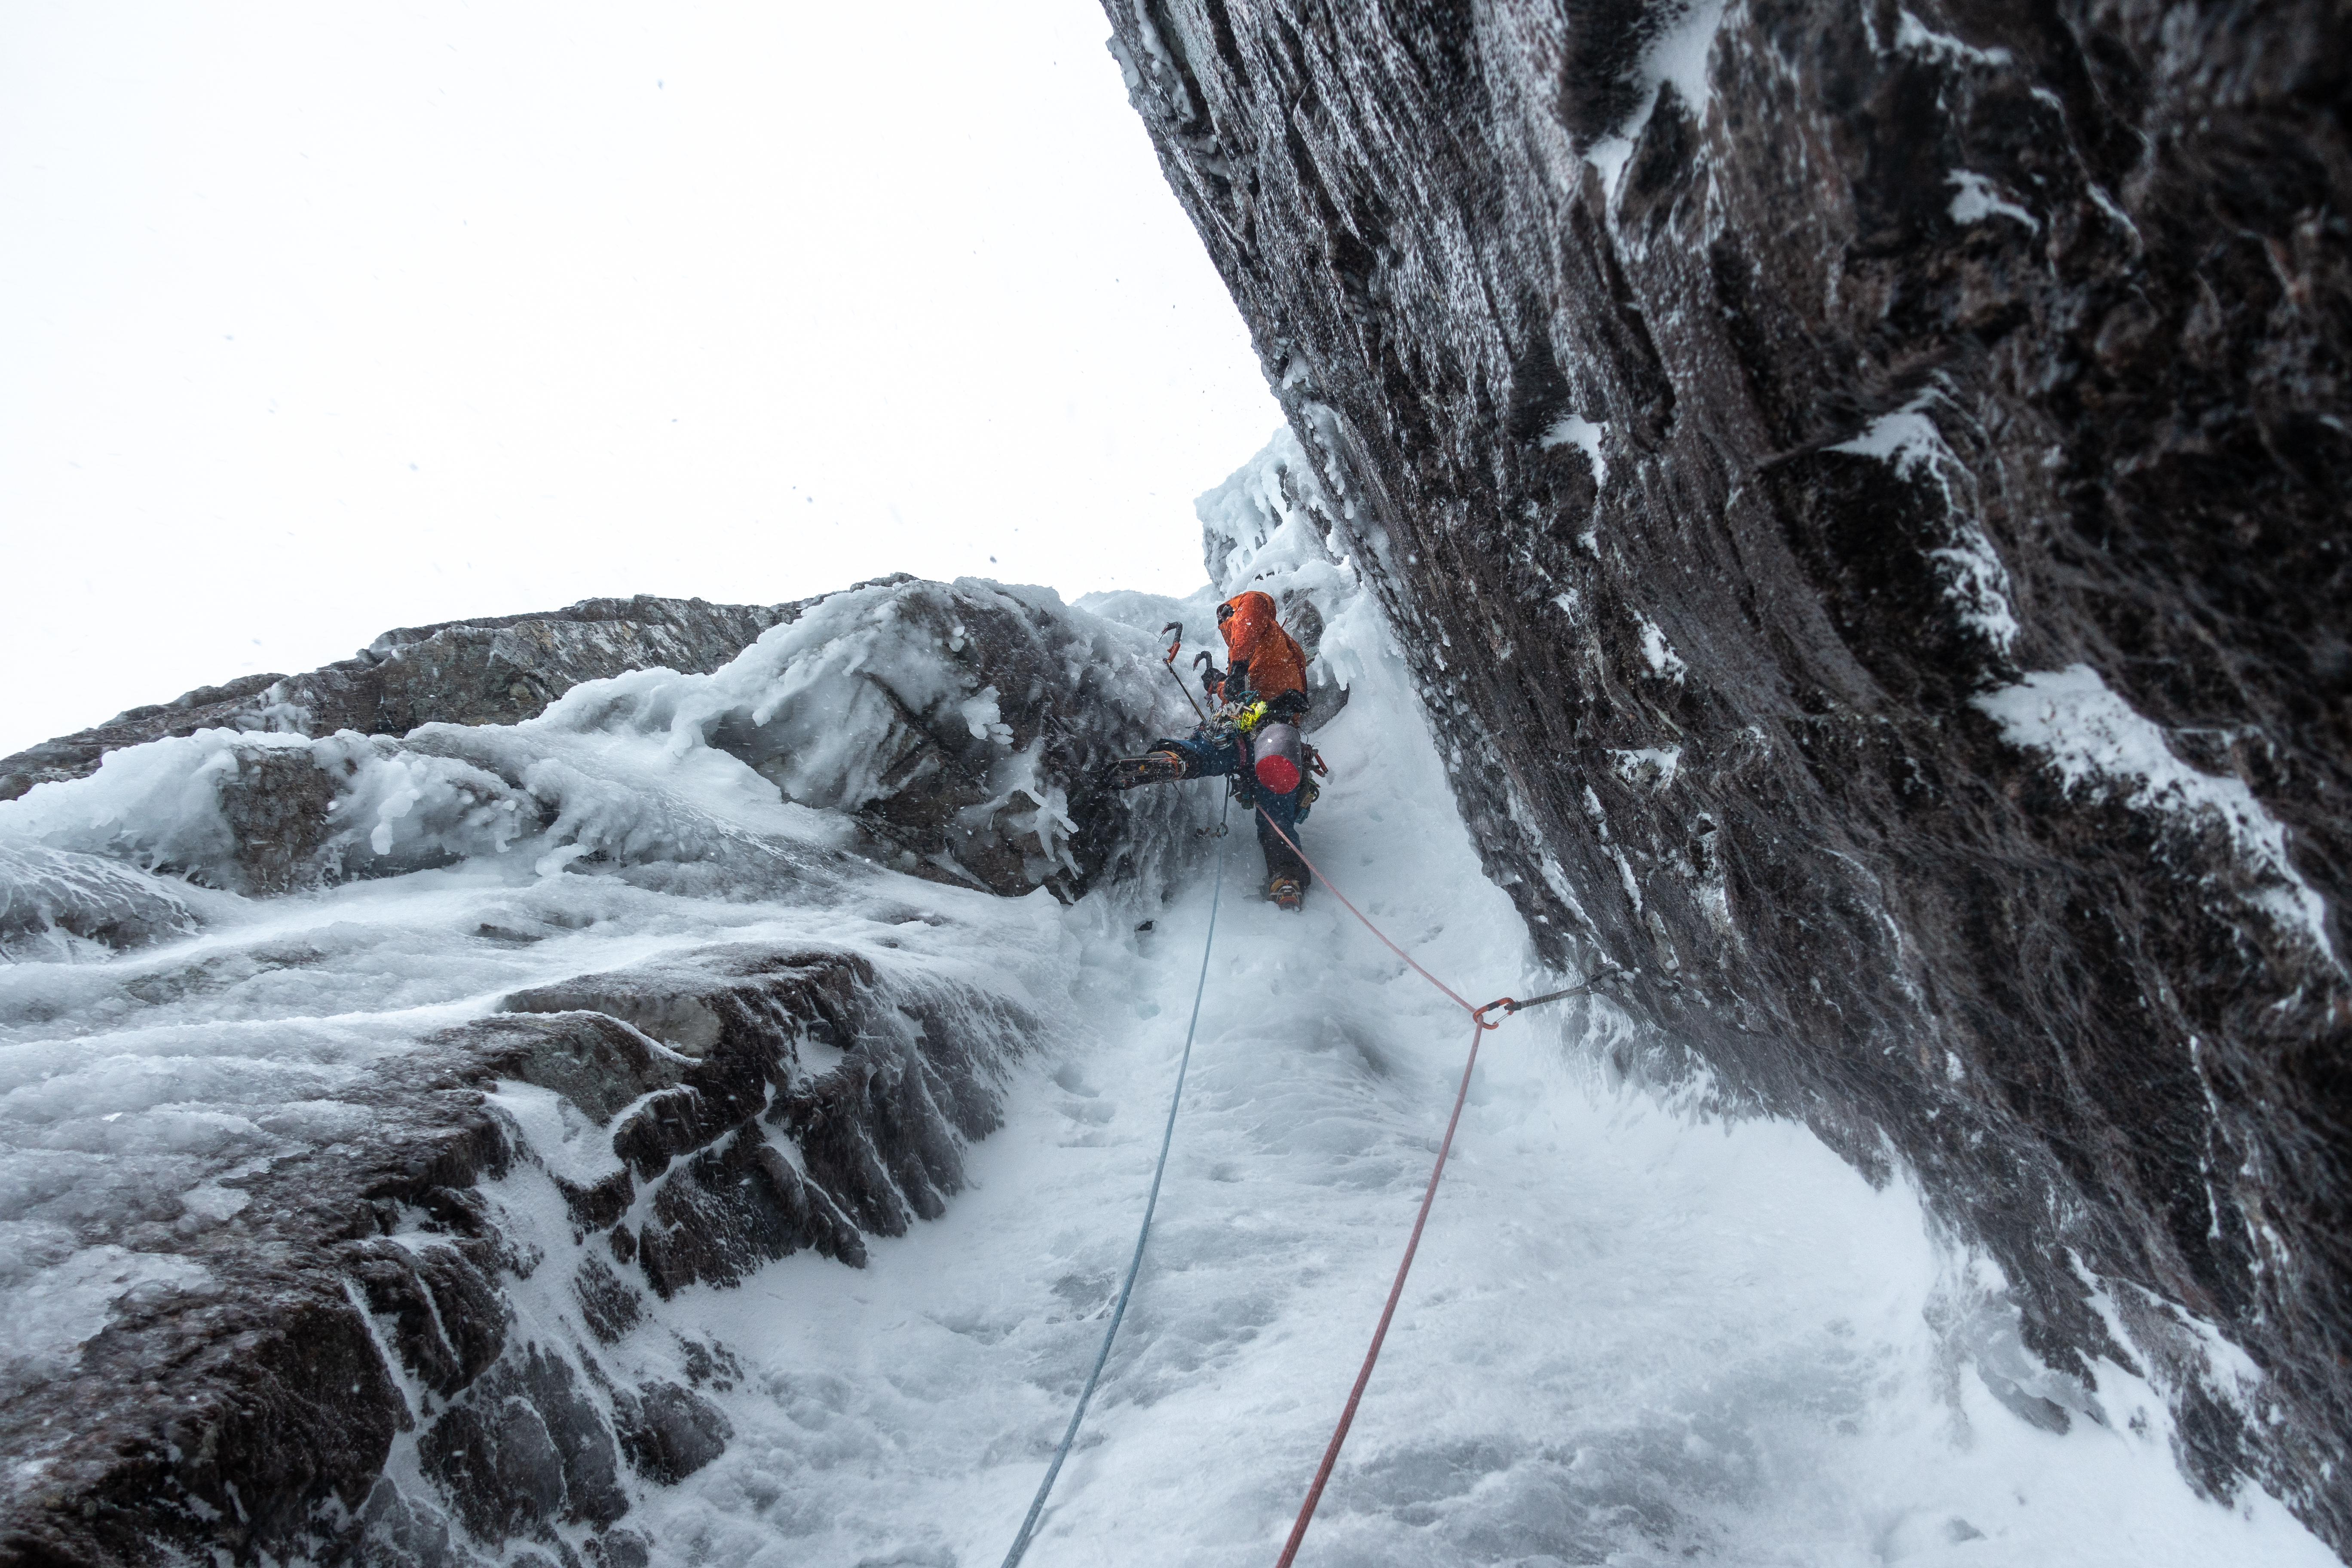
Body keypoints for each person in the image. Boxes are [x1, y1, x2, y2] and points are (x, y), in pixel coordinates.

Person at [1106, 591, 1318, 911]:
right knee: (1275, 809)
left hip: (1248, 718)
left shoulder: (1258, 624)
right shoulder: (1264, 654)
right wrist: (1218, 683)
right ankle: (1285, 877)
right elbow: (1246, 682)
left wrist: (1235, 669)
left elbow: (1254, 608)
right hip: (1274, 730)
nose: (1227, 628)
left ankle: (1173, 760)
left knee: (1214, 748)